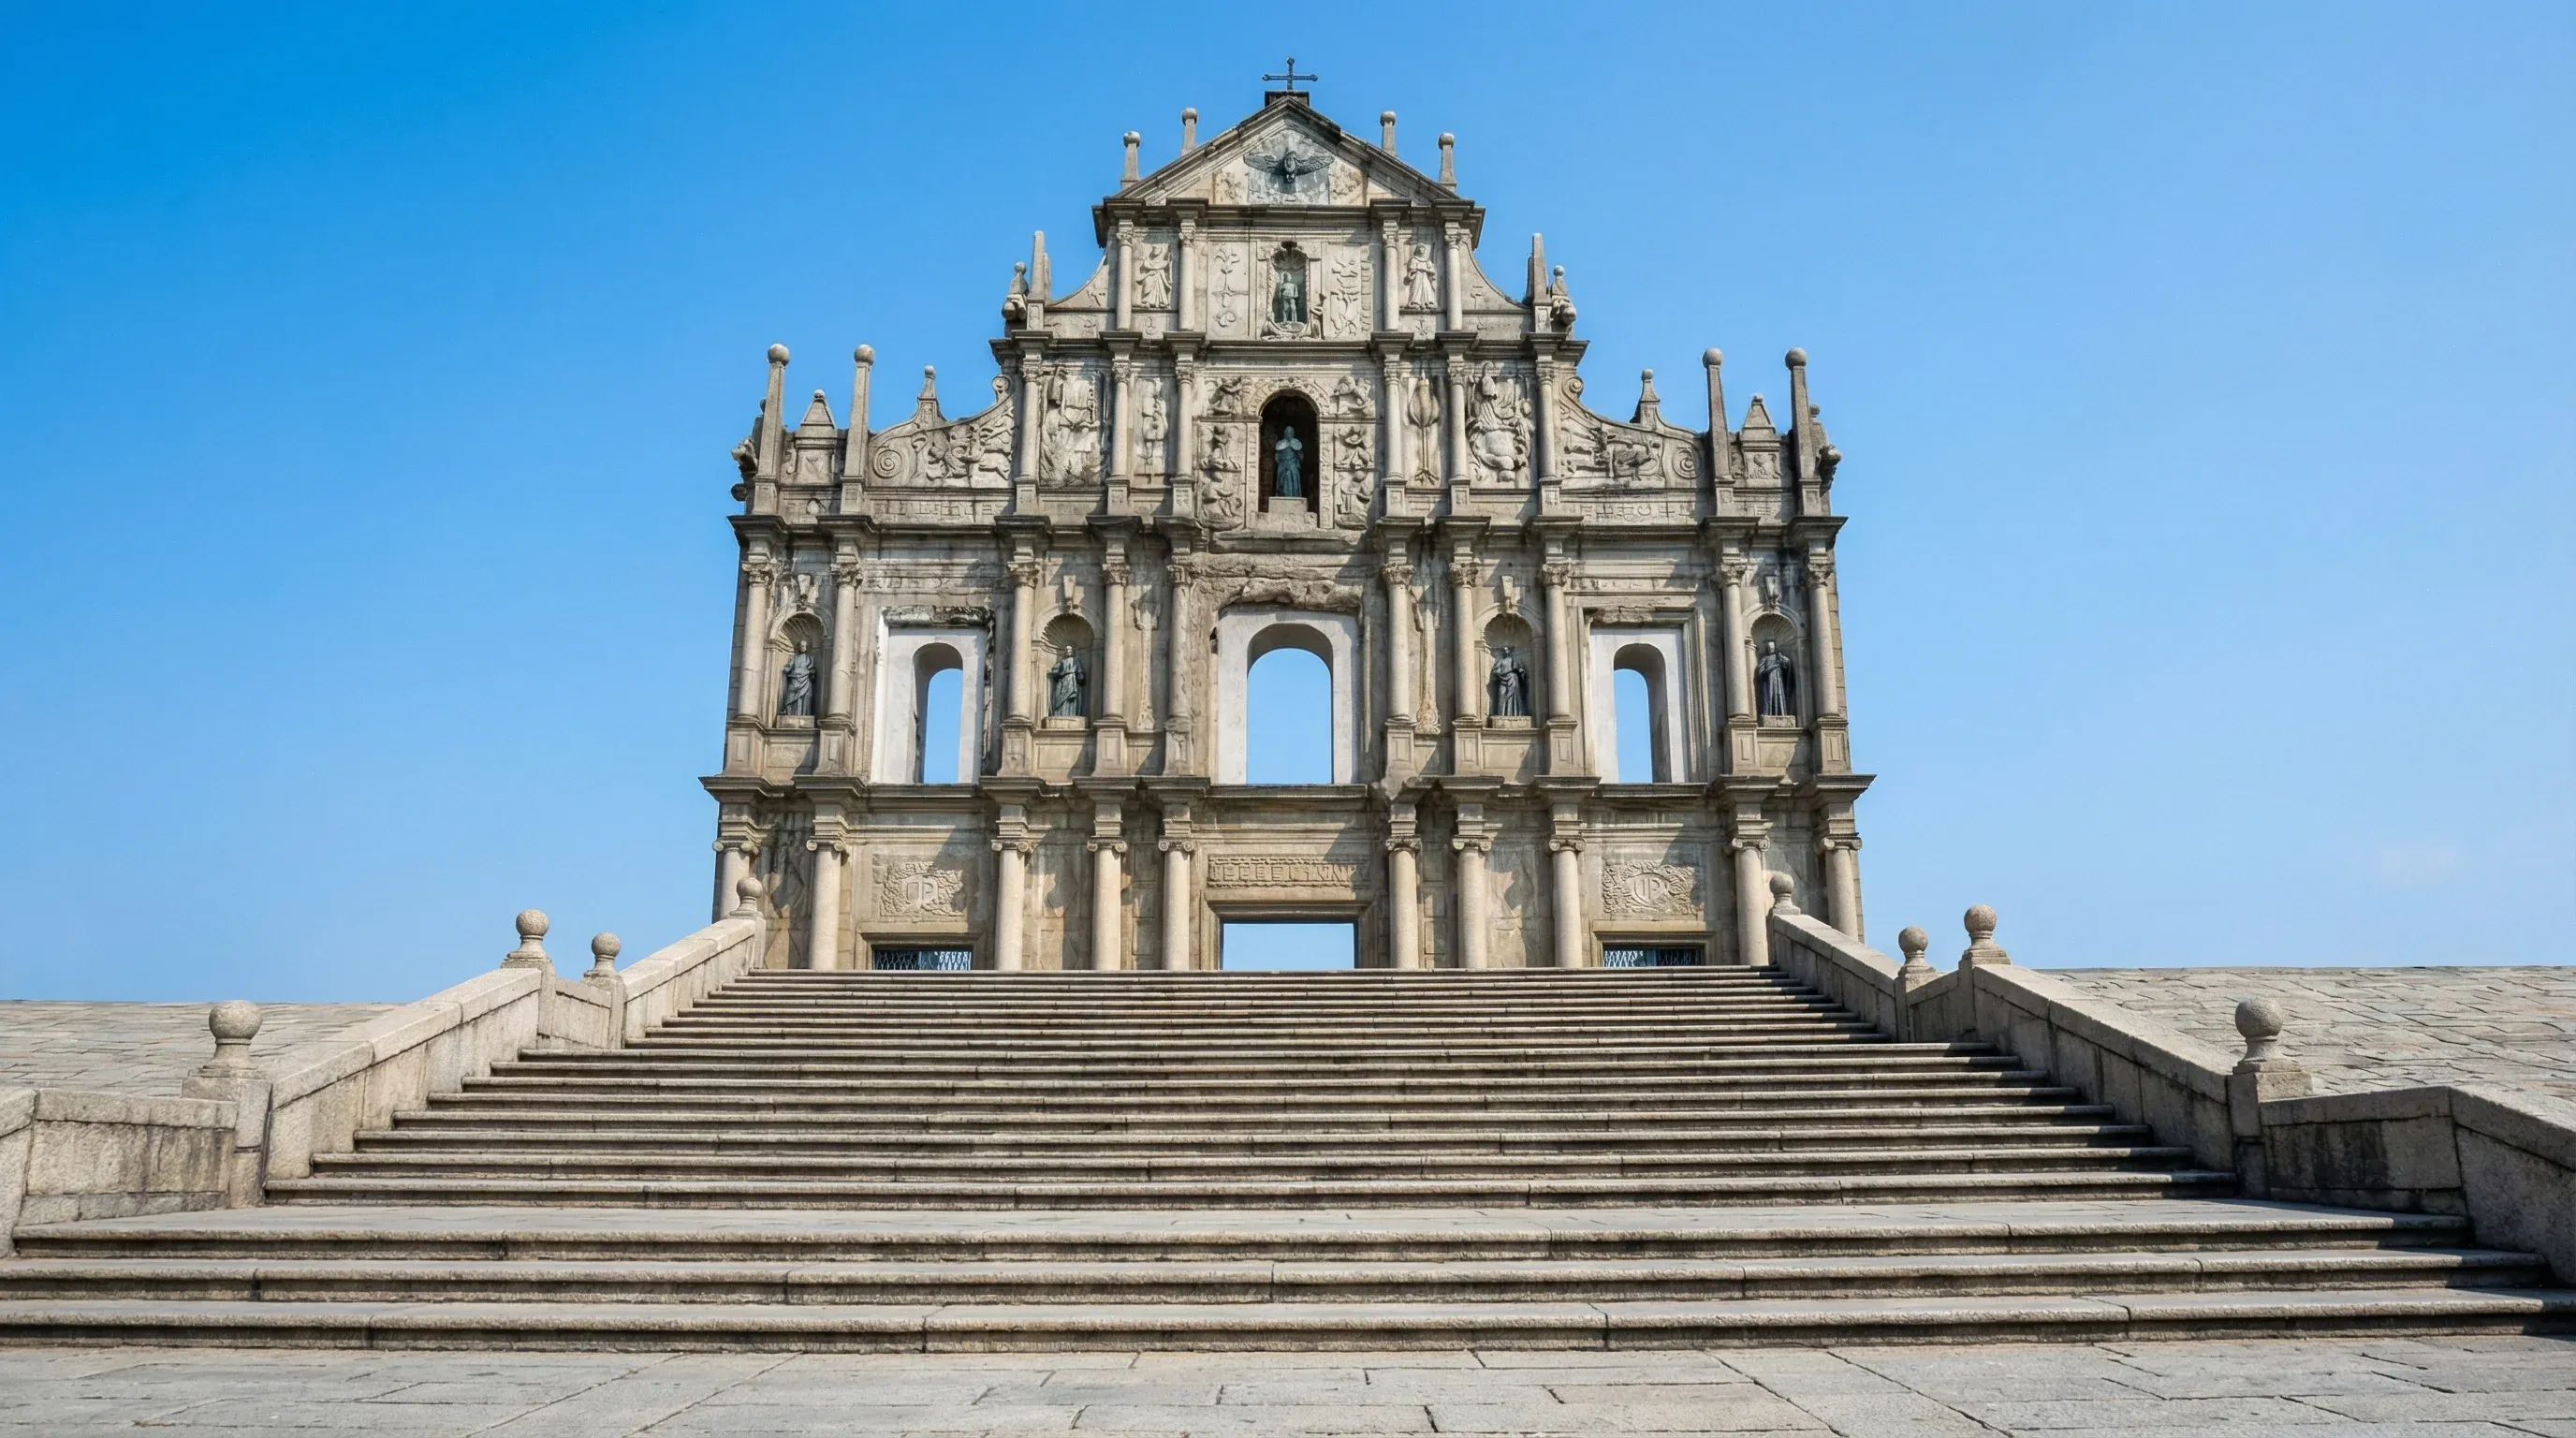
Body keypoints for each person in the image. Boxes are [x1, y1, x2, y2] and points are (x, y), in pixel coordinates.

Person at [1756, 639, 1796, 717]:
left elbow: (1787, 663)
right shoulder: (1765, 659)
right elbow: (1760, 671)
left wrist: (1781, 658)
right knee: (1769, 696)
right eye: (1769, 648)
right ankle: (1768, 713)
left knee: (1779, 695)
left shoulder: (1779, 657)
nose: (1771, 650)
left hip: (1778, 680)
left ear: (1774, 648)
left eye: (1772, 648)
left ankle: (1781, 714)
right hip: (1769, 681)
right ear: (1767, 649)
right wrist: (1771, 668)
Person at [778, 641, 817, 718]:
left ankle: (803, 715)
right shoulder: (794, 657)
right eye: (801, 646)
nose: (802, 647)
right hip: (795, 679)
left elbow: (812, 669)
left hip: (805, 680)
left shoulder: (809, 658)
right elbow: (789, 666)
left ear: (806, 647)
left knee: (805, 698)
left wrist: (813, 672)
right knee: (790, 695)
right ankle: (789, 713)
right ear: (798, 647)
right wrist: (786, 669)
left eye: (804, 646)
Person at [1273, 427, 1305, 499]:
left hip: (1292, 464)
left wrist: (1297, 451)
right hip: (1282, 465)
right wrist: (1282, 462)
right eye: (1287, 432)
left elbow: (1301, 457)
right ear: (1284, 434)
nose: (1288, 434)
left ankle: (1294, 496)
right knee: (1282, 482)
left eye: (1290, 432)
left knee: (1294, 481)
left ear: (1293, 433)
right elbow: (1277, 457)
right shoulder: (1280, 443)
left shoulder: (1296, 443)